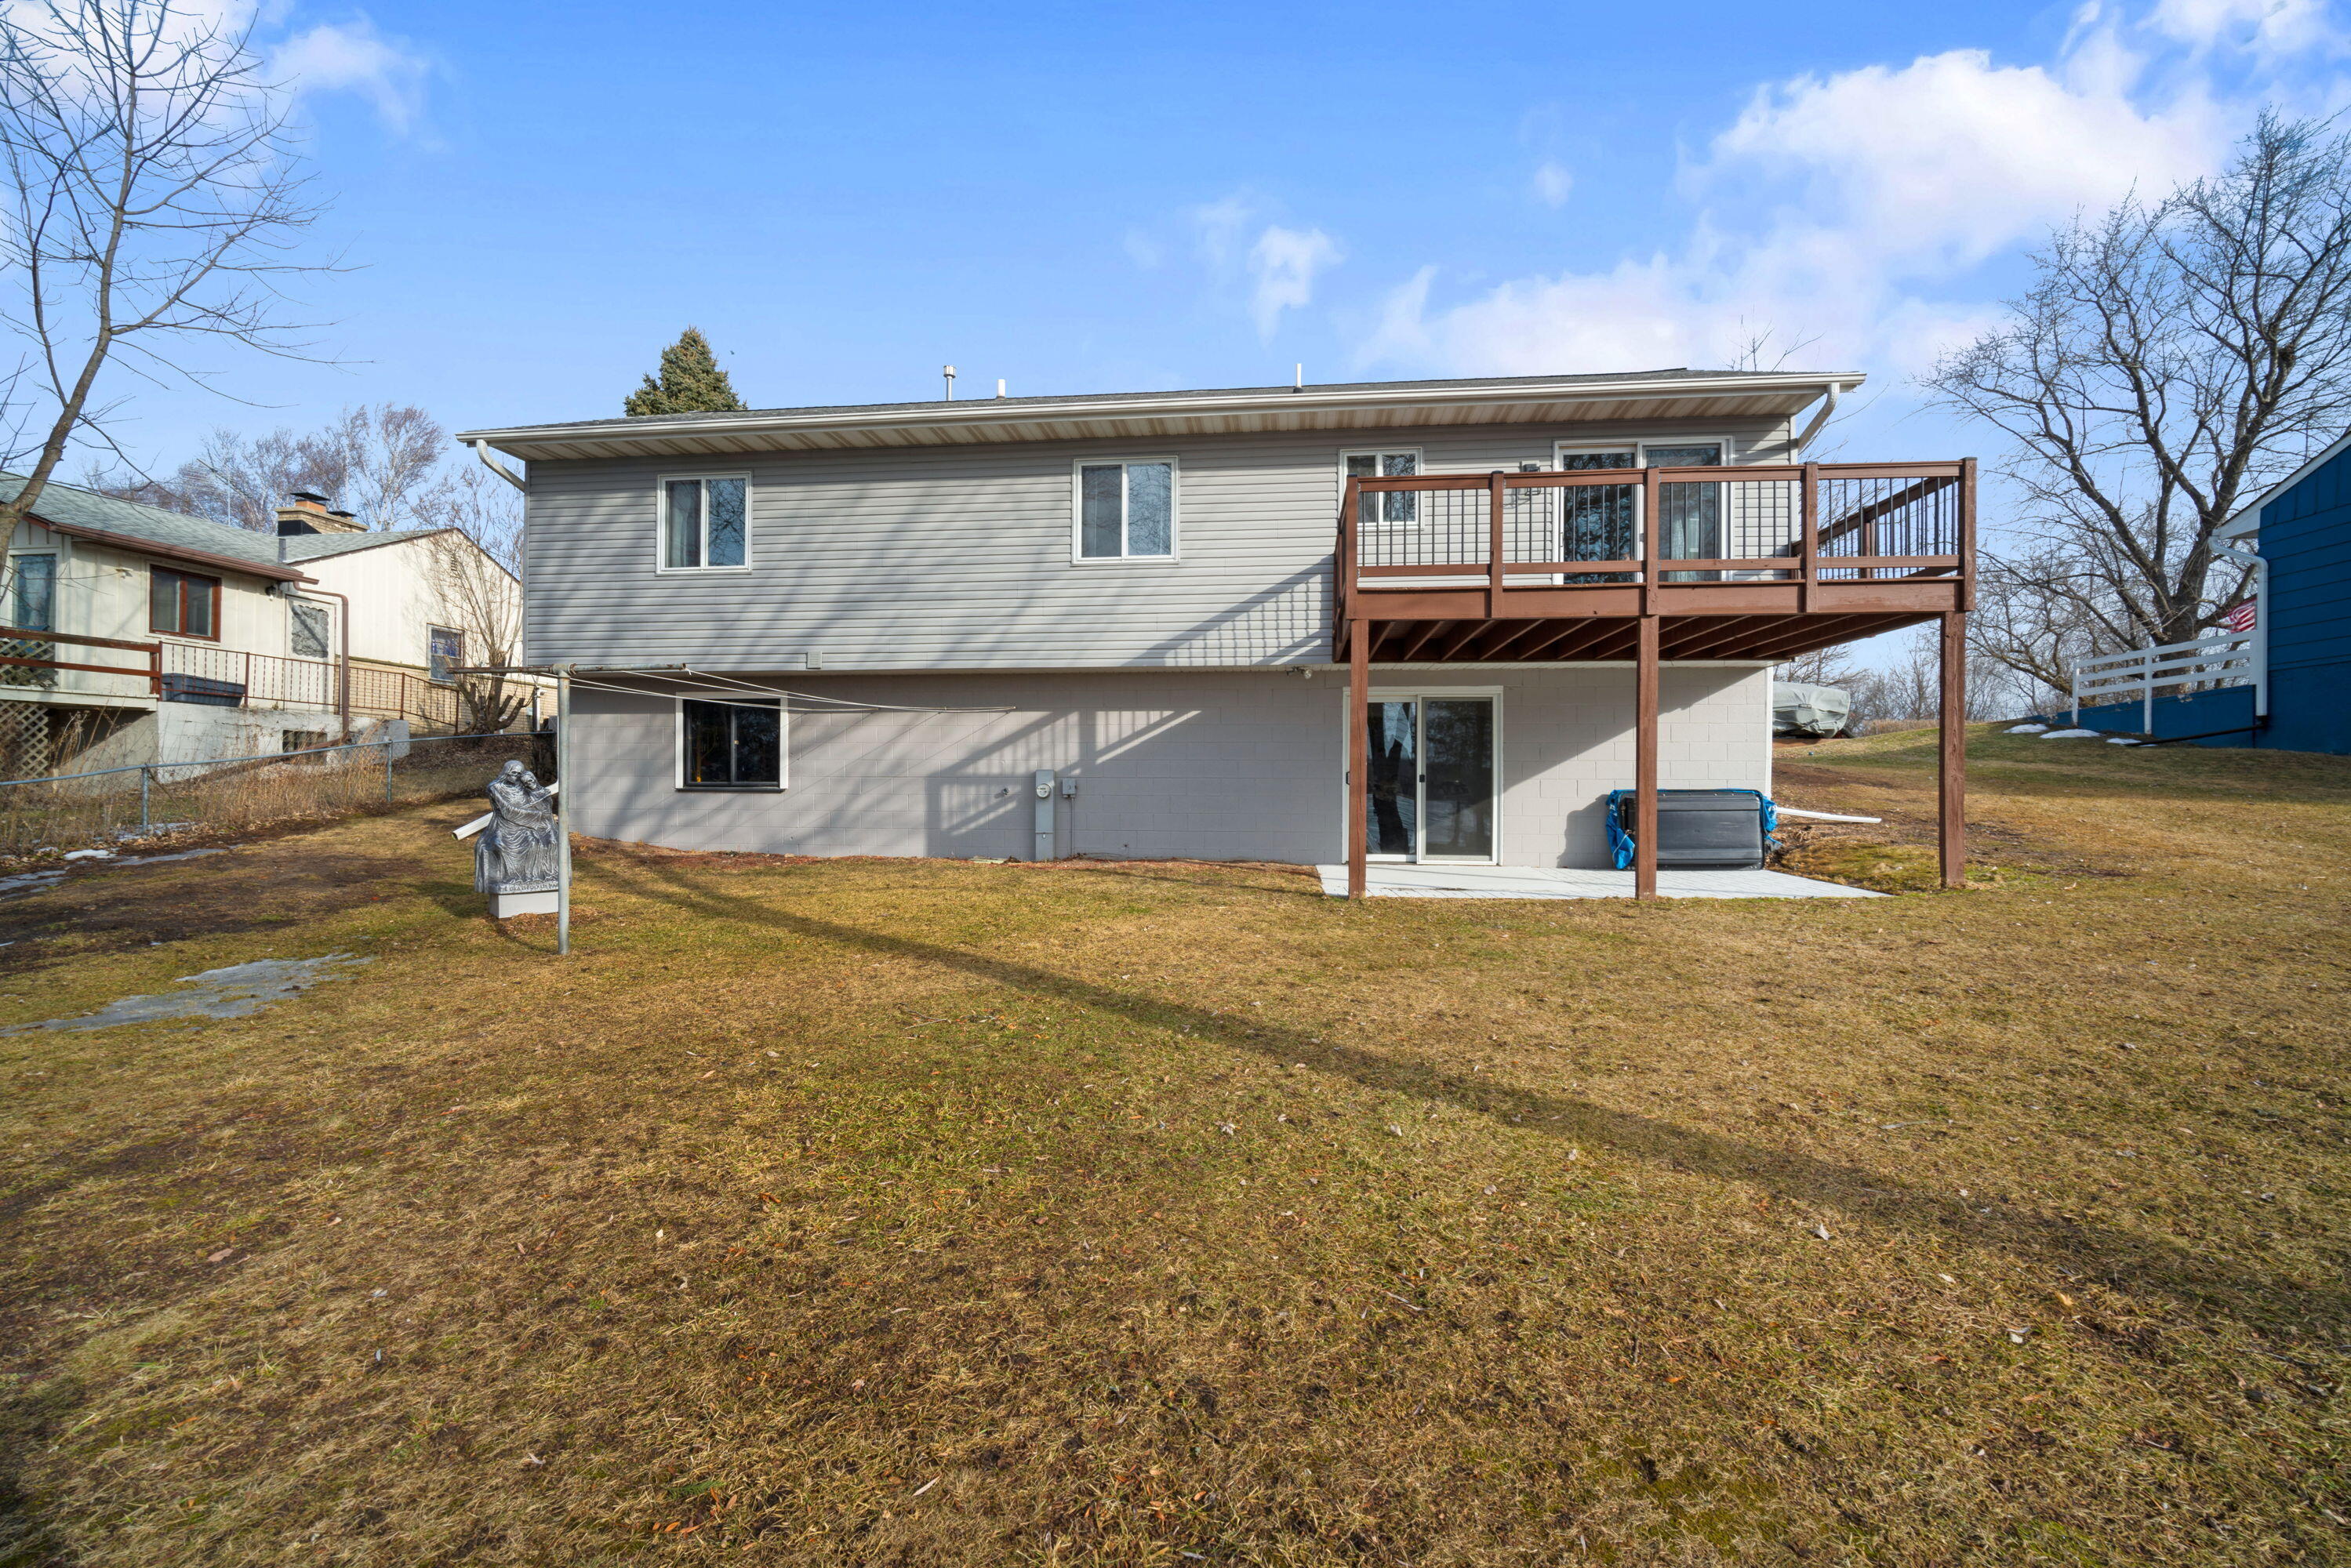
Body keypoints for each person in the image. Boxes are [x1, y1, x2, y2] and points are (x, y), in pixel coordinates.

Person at [474, 759, 559, 895]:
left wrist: (541, 801)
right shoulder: (494, 787)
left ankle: (534, 876)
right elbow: (507, 810)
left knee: (534, 842)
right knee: (502, 845)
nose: (516, 777)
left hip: (526, 826)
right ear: (506, 772)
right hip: (505, 825)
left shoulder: (522, 786)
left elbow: (538, 796)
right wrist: (536, 815)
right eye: (513, 773)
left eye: (518, 774)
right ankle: (512, 878)